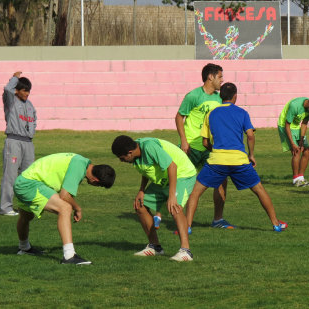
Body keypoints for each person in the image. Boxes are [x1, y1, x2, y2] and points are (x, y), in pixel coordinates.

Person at [185, 83, 287, 232]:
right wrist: (251, 155)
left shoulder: (211, 113)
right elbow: (250, 136)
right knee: (259, 189)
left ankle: (187, 227)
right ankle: (276, 224)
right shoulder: (242, 112)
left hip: (217, 160)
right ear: (235, 96)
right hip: (239, 160)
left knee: (195, 193)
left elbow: (205, 142)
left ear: (220, 97)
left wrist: (216, 151)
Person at [14, 153, 116, 264]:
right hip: (30, 184)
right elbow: (65, 195)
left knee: (26, 216)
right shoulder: (79, 167)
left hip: (22, 181)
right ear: (95, 180)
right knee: (65, 208)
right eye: (99, 185)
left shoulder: (82, 161)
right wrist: (78, 208)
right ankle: (69, 256)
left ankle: (24, 248)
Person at [112, 135, 196, 262]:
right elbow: (147, 169)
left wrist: (172, 196)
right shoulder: (136, 153)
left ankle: (186, 251)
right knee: (140, 206)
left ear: (129, 153)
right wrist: (141, 190)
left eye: (121, 158)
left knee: (175, 207)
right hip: (164, 179)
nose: (121, 160)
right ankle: (155, 247)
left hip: (182, 174)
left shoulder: (149, 147)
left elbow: (172, 166)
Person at [175, 63, 233, 230]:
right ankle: (177, 220)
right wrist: (184, 141)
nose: (222, 80)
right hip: (191, 147)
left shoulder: (219, 98)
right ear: (210, 77)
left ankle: (218, 220)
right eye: (220, 77)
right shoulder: (193, 96)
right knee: (183, 183)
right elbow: (179, 117)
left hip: (211, 148)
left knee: (222, 181)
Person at [0, 72, 37, 216]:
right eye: (24, 90)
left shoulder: (30, 105)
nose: (27, 93)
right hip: (14, 141)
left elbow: (34, 120)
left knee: (28, 176)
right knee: (10, 175)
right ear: (17, 90)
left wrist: (32, 130)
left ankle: (25, 206)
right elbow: (7, 89)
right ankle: (6, 207)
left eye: (29, 91)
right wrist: (14, 78)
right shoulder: (11, 100)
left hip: (28, 143)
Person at [277, 96, 309, 187]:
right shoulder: (295, 106)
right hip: (286, 127)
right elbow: (287, 125)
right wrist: (293, 144)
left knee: (307, 151)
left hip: (296, 127)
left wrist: (301, 141)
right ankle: (295, 180)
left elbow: (304, 123)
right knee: (296, 152)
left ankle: (301, 178)